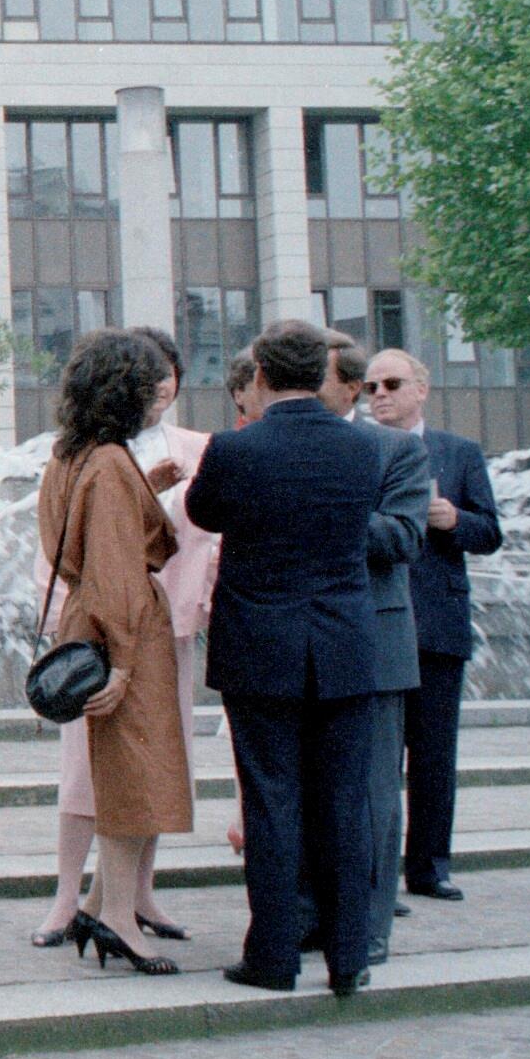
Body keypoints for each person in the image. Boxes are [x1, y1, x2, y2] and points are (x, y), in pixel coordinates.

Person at [185, 319, 391, 995]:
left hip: (261, 646)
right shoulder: (363, 447)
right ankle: (349, 956)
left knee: (271, 801)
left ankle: (273, 956)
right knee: (345, 801)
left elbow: (204, 513)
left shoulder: (234, 449)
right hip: (344, 644)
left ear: (262, 375)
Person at [36, 327, 216, 946]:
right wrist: (122, 663)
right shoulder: (112, 463)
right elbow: (116, 569)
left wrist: (145, 491)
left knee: (113, 769)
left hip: (84, 618)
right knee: (134, 772)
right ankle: (116, 916)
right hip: (125, 625)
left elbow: (80, 542)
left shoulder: (68, 456)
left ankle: (96, 904)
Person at [363, 348, 502, 901]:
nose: (380, 394)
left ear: (421, 388)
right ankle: (377, 876)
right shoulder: (359, 448)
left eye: (392, 383)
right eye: (371, 386)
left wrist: (455, 519)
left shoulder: (458, 452)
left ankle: (430, 867)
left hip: (438, 621)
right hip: (376, 621)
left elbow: (491, 533)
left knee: (434, 754)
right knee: (377, 757)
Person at [323, 333, 430, 964]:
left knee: (372, 794)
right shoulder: (282, 446)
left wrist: (325, 509)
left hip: (376, 640)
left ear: (348, 387)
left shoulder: (394, 449)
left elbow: (404, 536)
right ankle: (313, 918)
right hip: (307, 637)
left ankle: (367, 929)